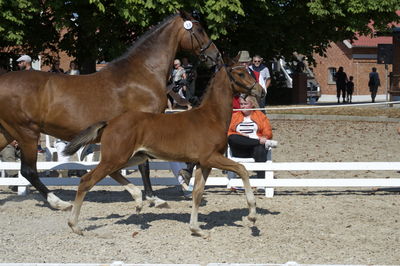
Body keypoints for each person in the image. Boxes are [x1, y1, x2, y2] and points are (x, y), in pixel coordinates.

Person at [228, 95, 277, 179]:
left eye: (245, 104)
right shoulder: (235, 116)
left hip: (255, 149)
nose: (243, 106)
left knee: (260, 149)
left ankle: (261, 180)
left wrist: (265, 137)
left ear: (252, 104)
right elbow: (228, 132)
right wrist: (244, 136)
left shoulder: (260, 116)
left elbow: (268, 132)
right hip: (240, 148)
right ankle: (258, 142)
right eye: (241, 104)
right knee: (232, 137)